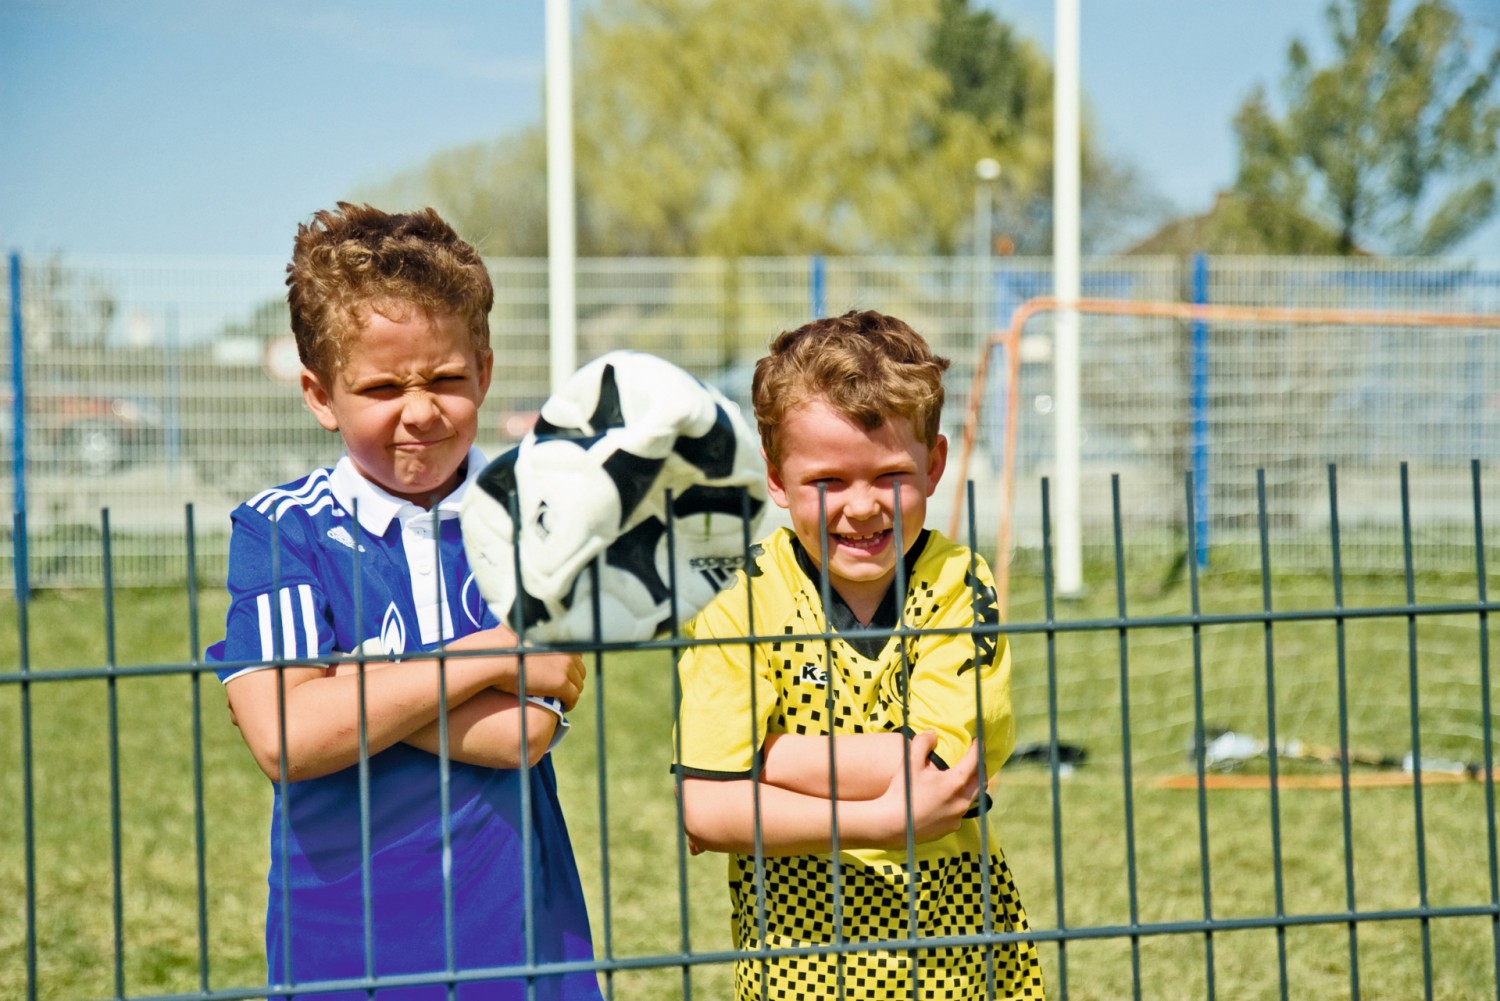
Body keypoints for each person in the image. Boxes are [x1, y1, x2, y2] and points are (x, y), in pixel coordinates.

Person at [208, 203, 602, 1001]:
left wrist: (344, 685)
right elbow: (289, 740)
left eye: (448, 380)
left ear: (484, 371)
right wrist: (487, 654)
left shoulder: (539, 515)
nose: (419, 411)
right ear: (321, 395)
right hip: (345, 948)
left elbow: (524, 731)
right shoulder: (281, 530)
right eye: (383, 387)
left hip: (519, 940)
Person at [672, 310, 1045, 1000]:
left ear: (934, 466)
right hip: (799, 974)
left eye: (889, 475)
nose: (864, 506)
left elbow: (941, 767)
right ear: (777, 479)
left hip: (961, 969)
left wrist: (757, 759)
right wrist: (879, 818)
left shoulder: (959, 583)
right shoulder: (736, 595)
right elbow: (704, 810)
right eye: (829, 481)